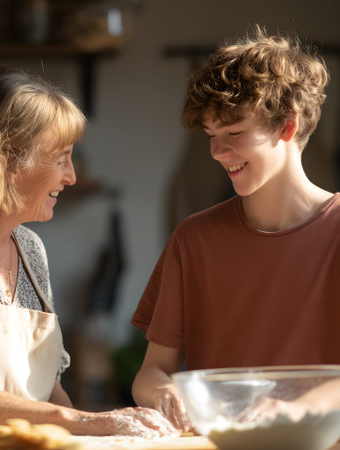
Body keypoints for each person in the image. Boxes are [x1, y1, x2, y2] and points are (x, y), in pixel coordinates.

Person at [0, 67, 177, 437]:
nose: (70, 176)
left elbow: (51, 393)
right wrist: (82, 421)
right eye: (61, 157)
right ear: (8, 161)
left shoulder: (29, 249)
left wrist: (98, 435)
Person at [130, 26, 339, 431]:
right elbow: (151, 372)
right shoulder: (194, 239)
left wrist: (289, 410)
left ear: (287, 127)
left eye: (235, 133)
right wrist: (165, 392)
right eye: (211, 135)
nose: (218, 152)